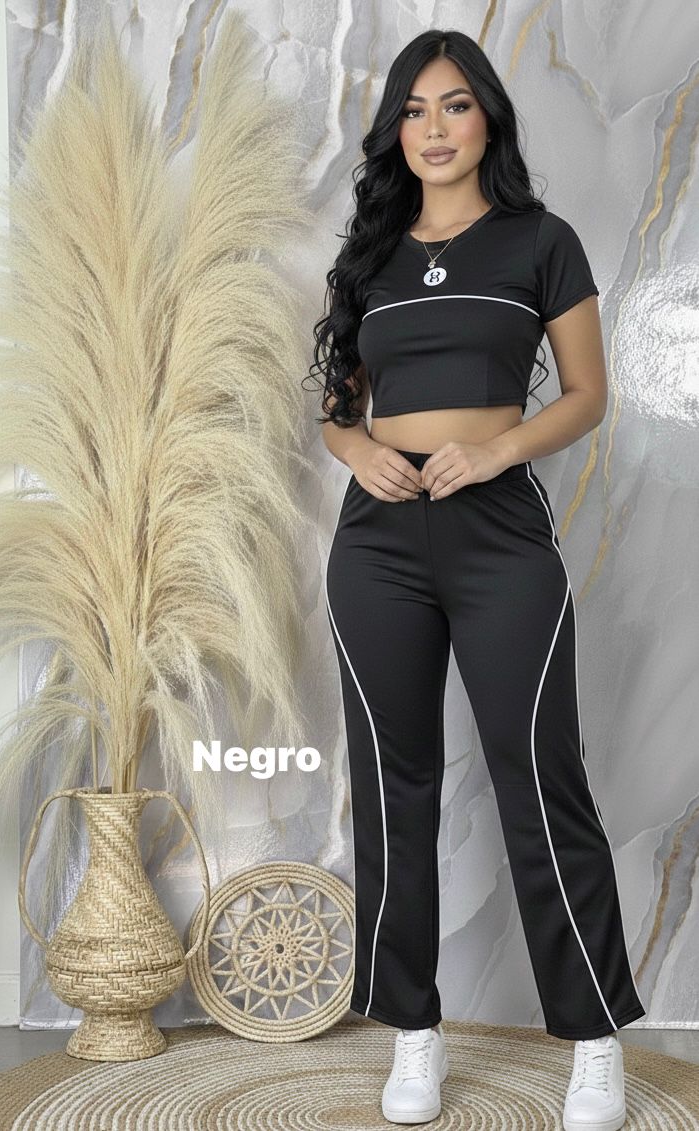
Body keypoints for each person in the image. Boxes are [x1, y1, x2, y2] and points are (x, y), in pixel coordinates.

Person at [307, 28, 647, 1130]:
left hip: (497, 529)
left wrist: (496, 450)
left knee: (538, 775)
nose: (434, 128)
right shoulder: (370, 255)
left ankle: (591, 1039)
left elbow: (585, 393)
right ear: (394, 133)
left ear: (486, 116)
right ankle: (413, 1032)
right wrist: (356, 452)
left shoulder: (539, 241)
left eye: (453, 105)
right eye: (413, 110)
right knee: (392, 783)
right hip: (377, 540)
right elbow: (340, 406)